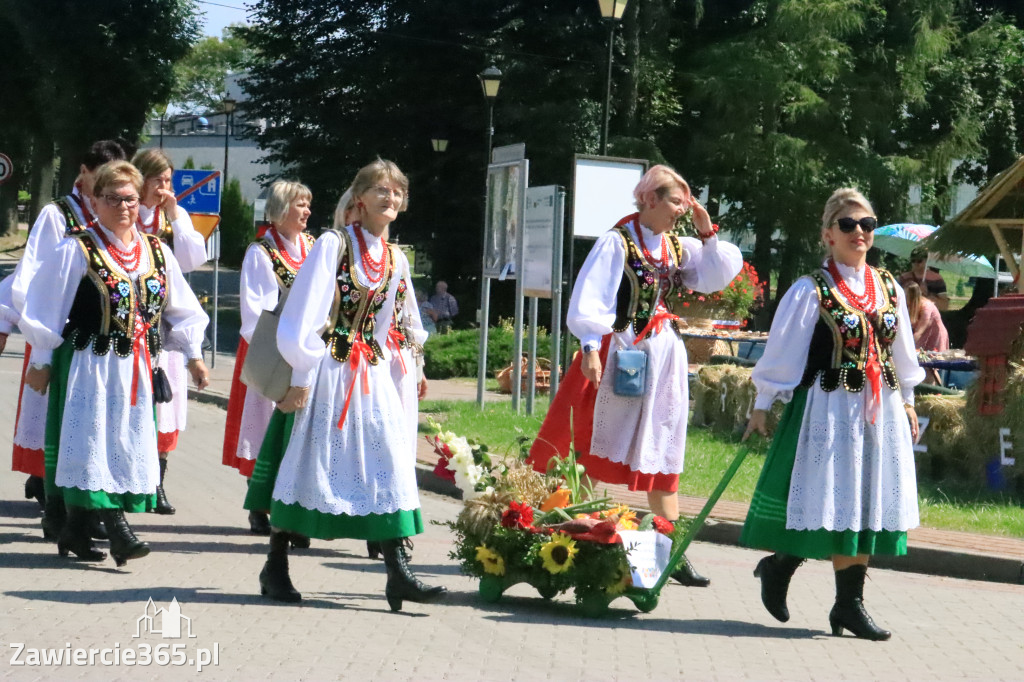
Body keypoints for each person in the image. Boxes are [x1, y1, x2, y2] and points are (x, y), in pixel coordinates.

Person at [527, 164, 743, 587]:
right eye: (676, 201)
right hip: (619, 351)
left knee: (662, 448)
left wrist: (707, 232)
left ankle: (670, 552)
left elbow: (717, 276)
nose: (682, 210)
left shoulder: (678, 247)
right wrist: (590, 348)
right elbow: (591, 297)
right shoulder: (617, 241)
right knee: (590, 447)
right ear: (649, 199)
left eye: (686, 202)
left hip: (661, 354)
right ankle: (571, 541)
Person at [244, 159, 446, 611]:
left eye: (396, 192)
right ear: (359, 198)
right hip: (326, 371)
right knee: (304, 462)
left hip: (370, 373)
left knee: (388, 462)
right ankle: (275, 564)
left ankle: (398, 571)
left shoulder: (395, 258)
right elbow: (303, 313)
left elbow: (398, 323)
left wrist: (413, 368)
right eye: (380, 190)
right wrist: (299, 375)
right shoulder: (333, 245)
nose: (389, 198)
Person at [741, 188, 924, 641]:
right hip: (826, 406)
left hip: (877, 411)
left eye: (867, 224)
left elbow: (901, 351)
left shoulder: (888, 286)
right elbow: (783, 354)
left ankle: (847, 604)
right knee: (825, 497)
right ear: (828, 234)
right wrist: (762, 405)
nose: (859, 232)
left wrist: (909, 401)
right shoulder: (811, 290)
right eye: (848, 225)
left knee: (862, 501)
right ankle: (782, 565)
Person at [20, 160, 210, 566]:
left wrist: (193, 355)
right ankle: (119, 531)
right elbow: (45, 308)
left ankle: (74, 530)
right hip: (88, 362)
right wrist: (40, 359)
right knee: (92, 444)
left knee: (121, 442)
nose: (124, 207)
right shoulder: (76, 247)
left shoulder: (156, 251)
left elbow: (185, 310)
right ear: (97, 200)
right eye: (113, 198)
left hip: (136, 367)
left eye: (130, 198)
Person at [8, 140, 126, 534]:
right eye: (103, 175)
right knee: (54, 419)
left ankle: (79, 507)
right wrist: (21, 321)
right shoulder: (57, 214)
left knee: (91, 423)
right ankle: (55, 501)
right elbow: (30, 276)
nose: (111, 183)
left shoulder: (116, 212)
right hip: (58, 331)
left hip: (100, 338)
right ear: (84, 171)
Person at [222, 180, 315, 535]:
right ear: (280, 209)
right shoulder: (261, 253)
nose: (306, 211)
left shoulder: (311, 247)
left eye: (308, 205)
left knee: (298, 429)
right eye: (300, 204)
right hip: (270, 349)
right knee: (265, 427)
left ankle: (292, 505)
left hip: (306, 352)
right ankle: (260, 503)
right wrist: (281, 347)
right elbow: (255, 313)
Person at [132, 148, 210, 515]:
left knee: (166, 405)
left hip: (167, 324)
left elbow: (195, 257)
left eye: (168, 181)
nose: (163, 187)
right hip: (130, 321)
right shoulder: (126, 214)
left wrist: (175, 213)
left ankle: (158, 483)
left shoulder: (170, 220)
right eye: (157, 180)